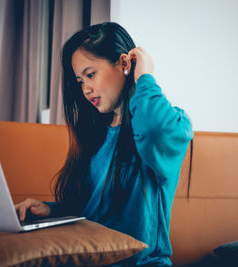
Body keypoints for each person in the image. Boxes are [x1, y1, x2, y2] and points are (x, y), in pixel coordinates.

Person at [15, 22, 193, 266]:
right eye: (80, 81)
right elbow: (90, 211)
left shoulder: (170, 123)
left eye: (90, 75)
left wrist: (145, 75)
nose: (86, 89)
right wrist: (51, 210)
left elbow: (155, 130)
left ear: (124, 64)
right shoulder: (93, 135)